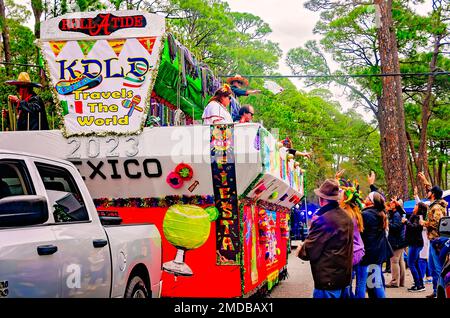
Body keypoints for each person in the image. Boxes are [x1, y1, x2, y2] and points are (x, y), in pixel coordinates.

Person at [295, 179, 353, 298]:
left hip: (328, 281)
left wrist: (301, 248)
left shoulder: (324, 220)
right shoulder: (347, 217)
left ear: (322, 200)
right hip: (344, 279)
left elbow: (310, 251)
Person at [356, 187, 392, 298]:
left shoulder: (365, 215)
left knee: (361, 284)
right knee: (376, 284)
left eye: (367, 197)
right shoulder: (381, 214)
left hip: (366, 254)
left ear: (371, 202)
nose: (365, 198)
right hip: (376, 254)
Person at [335, 170, 365, 298]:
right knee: (351, 284)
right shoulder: (355, 212)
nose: (337, 198)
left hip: (350, 253)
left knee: (346, 285)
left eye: (340, 196)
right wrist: (336, 180)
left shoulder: (346, 215)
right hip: (358, 251)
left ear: (345, 199)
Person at [417, 172, 448, 298]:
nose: (427, 192)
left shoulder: (436, 208)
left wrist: (424, 223)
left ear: (433, 195)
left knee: (437, 268)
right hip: (433, 240)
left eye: (430, 192)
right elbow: (431, 189)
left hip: (437, 241)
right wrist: (424, 180)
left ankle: (441, 292)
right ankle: (436, 291)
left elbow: (437, 223)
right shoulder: (436, 202)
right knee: (432, 266)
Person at [402, 202, 427, 292]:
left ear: (419, 208)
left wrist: (406, 222)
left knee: (411, 263)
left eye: (416, 205)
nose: (414, 206)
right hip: (415, 242)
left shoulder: (418, 217)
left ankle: (418, 285)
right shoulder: (414, 216)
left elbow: (414, 228)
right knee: (415, 264)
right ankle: (420, 284)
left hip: (416, 243)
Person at [386, 197, 407, 288]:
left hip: (397, 241)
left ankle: (395, 282)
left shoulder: (396, 215)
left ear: (396, 205)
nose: (390, 203)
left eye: (392, 203)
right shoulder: (396, 213)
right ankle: (401, 281)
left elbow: (396, 227)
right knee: (400, 261)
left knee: (394, 261)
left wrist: (387, 223)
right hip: (400, 240)